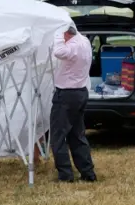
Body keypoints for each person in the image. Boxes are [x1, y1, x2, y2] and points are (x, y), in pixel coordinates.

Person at [50, 25, 97, 182]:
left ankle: (65, 174)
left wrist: (57, 36)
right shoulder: (84, 41)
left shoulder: (72, 46)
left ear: (66, 35)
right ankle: (87, 172)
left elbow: (58, 52)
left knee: (58, 136)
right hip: (80, 92)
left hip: (66, 94)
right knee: (77, 135)